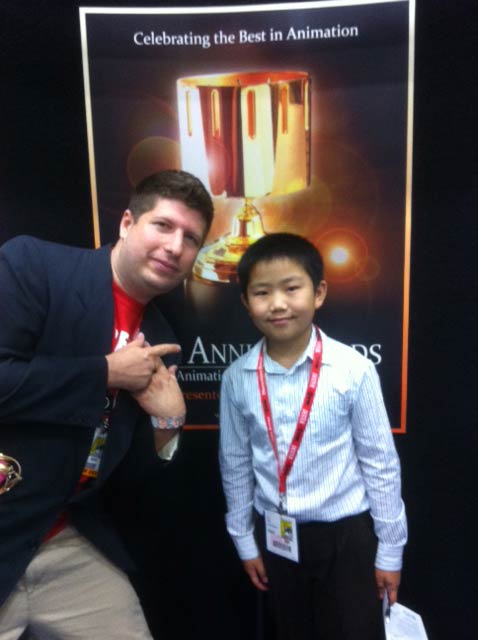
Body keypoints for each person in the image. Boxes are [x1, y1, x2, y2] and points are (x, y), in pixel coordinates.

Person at [0, 169, 214, 639]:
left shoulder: (161, 338)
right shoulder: (34, 265)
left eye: (191, 238)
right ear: (125, 224)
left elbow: (130, 477)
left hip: (67, 540)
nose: (175, 246)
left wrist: (169, 421)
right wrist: (105, 373)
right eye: (163, 225)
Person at [219, 233, 407, 640]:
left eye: (292, 288)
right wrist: (244, 542)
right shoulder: (237, 378)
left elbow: (381, 463)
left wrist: (391, 549)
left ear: (318, 292)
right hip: (277, 535)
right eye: (262, 292)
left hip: (347, 537)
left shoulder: (353, 369)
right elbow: (234, 464)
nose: (278, 304)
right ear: (246, 303)